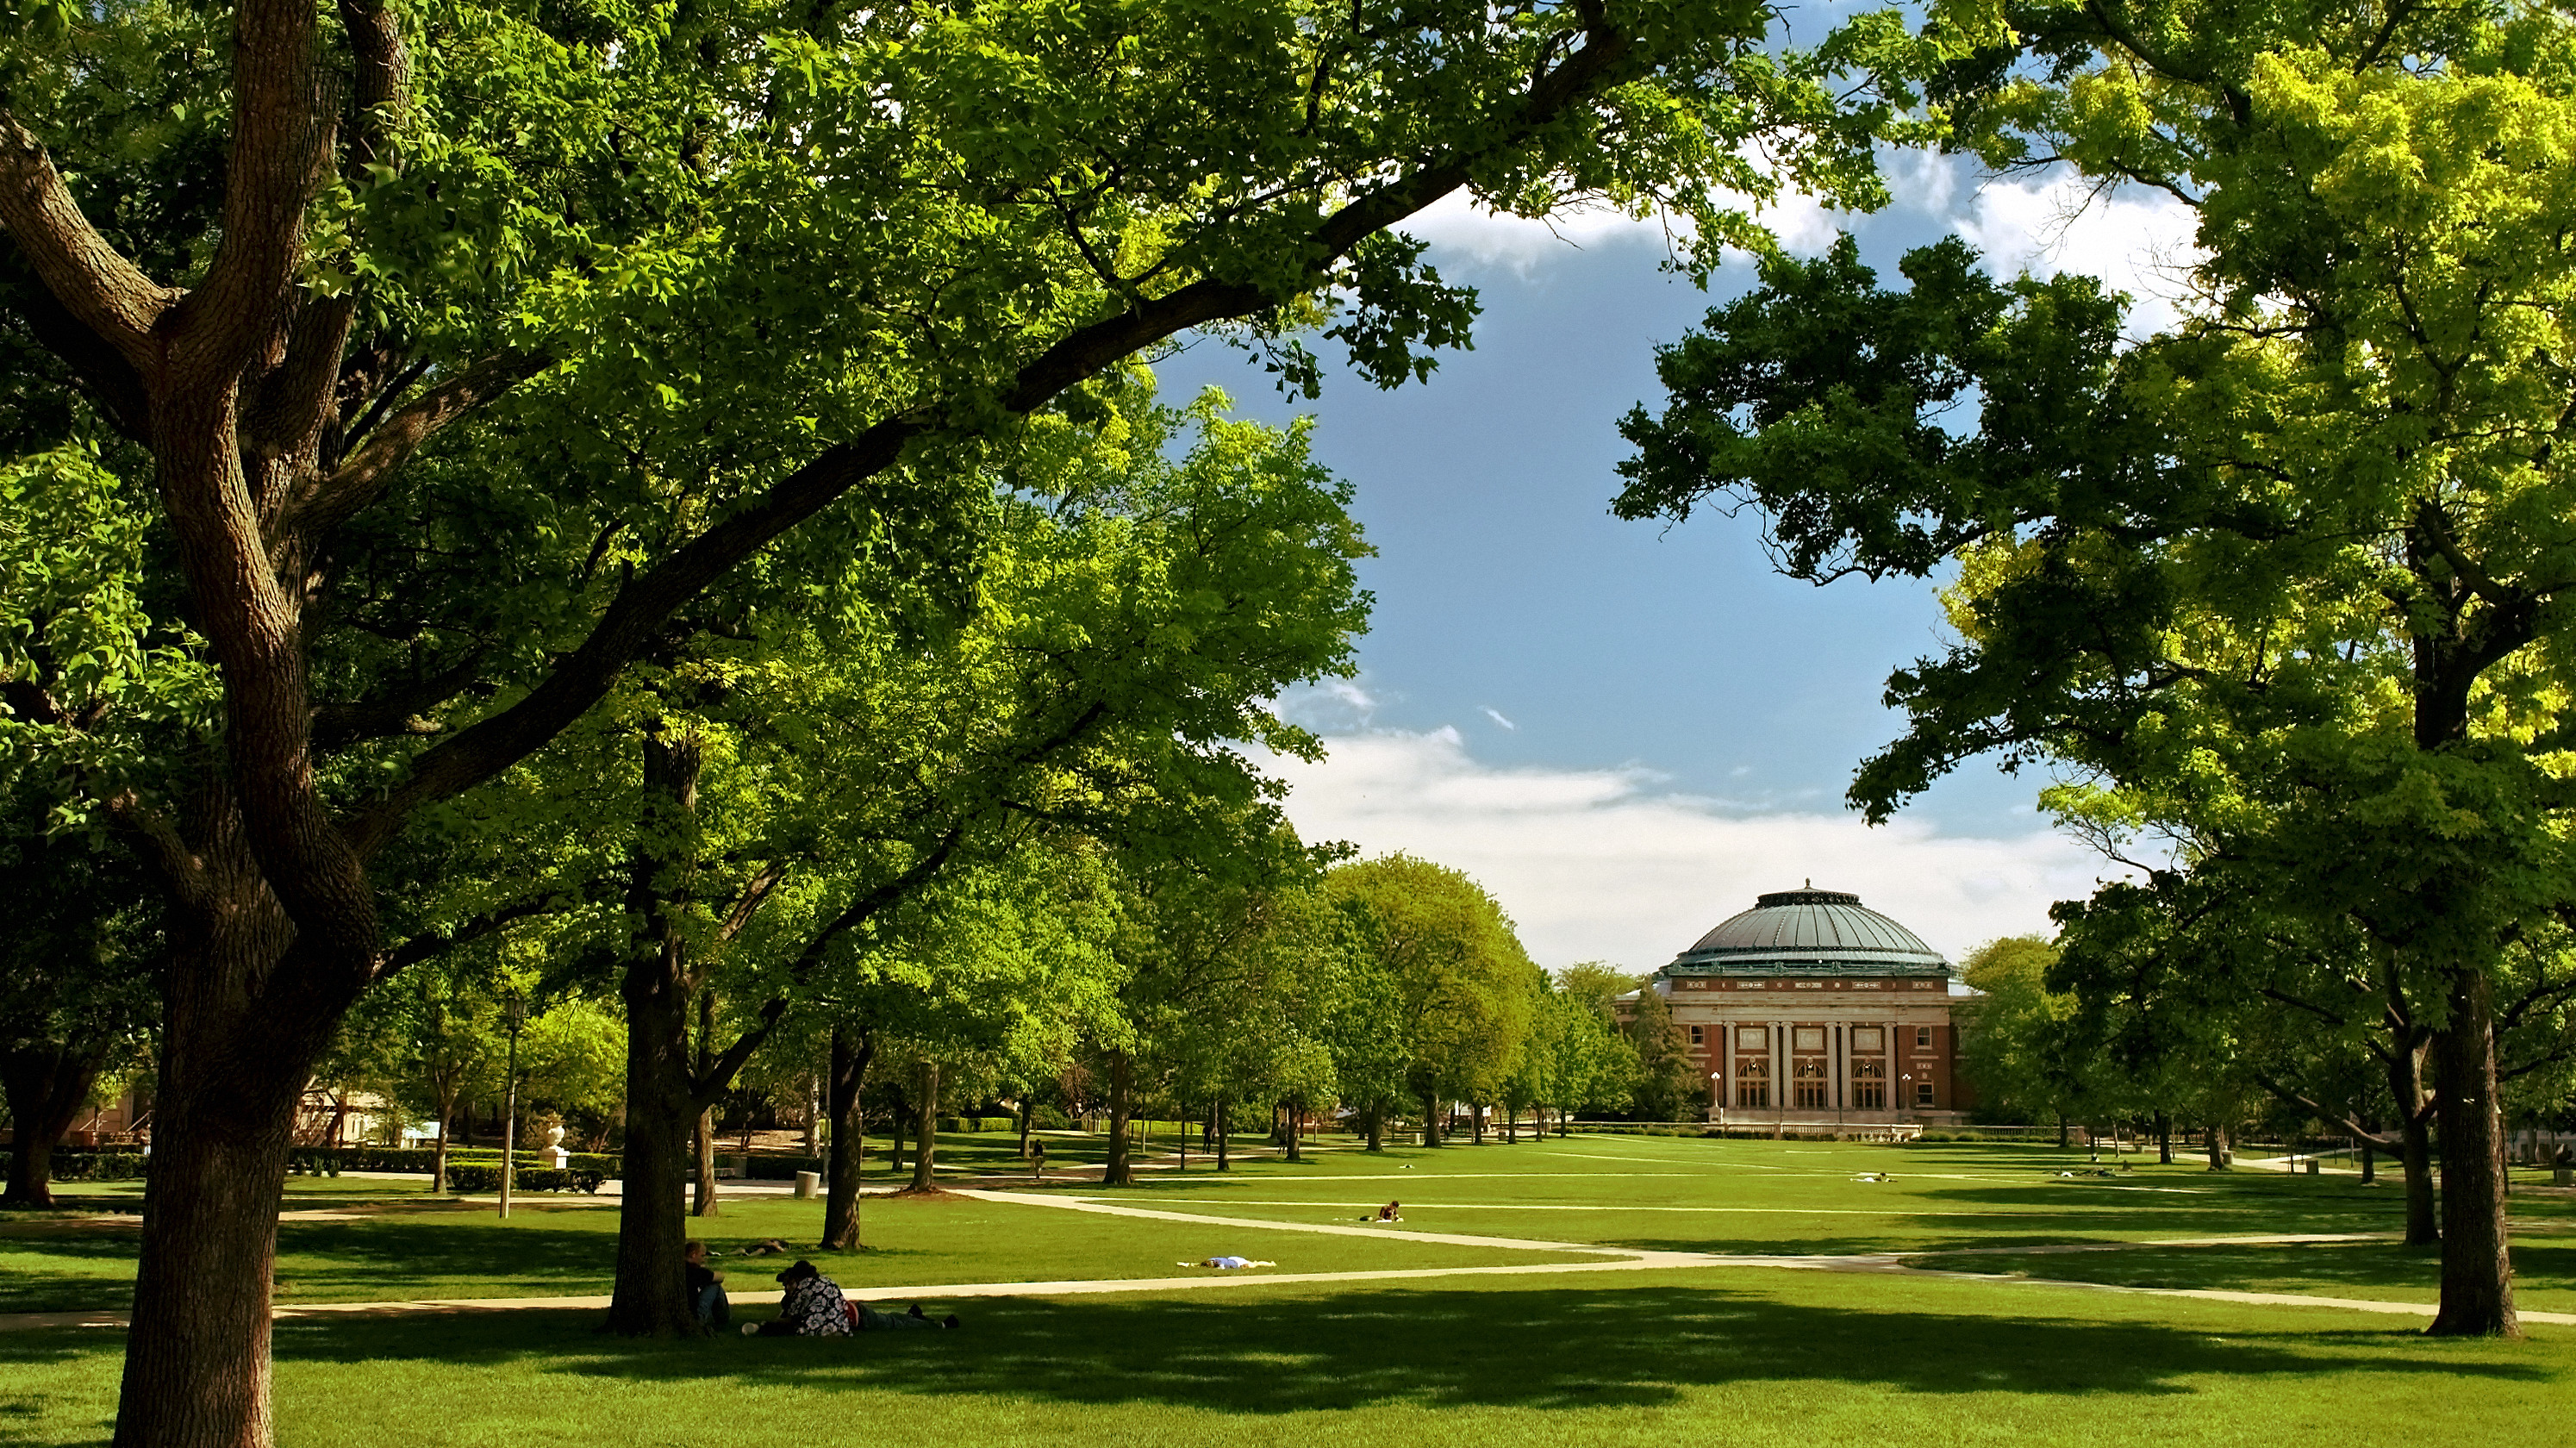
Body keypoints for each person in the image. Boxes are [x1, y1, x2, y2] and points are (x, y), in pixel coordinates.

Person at [740, 1260, 852, 1337]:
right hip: (841, 1326)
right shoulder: (827, 1282)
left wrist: (772, 1323)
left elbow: (791, 1319)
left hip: (816, 1329)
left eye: (789, 1284)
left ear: (797, 1278)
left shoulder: (803, 1289)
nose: (787, 1288)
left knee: (775, 1329)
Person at [684, 1240, 729, 1328]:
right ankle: (723, 1320)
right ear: (693, 1254)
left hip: (684, 1311)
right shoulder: (696, 1271)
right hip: (695, 1314)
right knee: (716, 1287)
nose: (703, 1260)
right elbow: (720, 1277)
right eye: (702, 1256)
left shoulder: (680, 1267)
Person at [853, 1300, 960, 1331]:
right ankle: (912, 1316)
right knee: (890, 1319)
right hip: (860, 1314)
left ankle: (940, 1325)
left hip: (861, 1317)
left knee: (894, 1322)